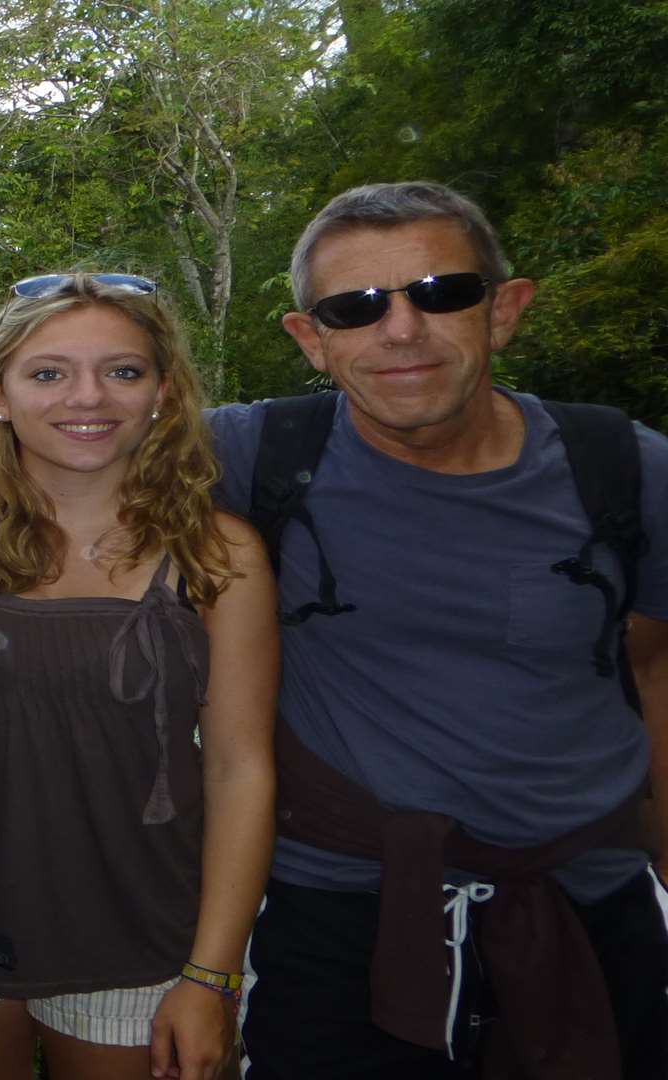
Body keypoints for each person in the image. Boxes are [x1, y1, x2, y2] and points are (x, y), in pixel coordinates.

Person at [209, 181, 668, 1077]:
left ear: (505, 311)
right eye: (356, 307)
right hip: (336, 920)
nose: (402, 329)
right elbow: (49, 452)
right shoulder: (254, 455)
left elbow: (654, 678)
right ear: (312, 339)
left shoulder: (624, 468)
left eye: (441, 293)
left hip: (588, 904)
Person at [0, 275, 277, 1080]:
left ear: (162, 392)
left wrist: (213, 973)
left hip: (141, 932)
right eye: (48, 373)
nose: (89, 397)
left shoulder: (218, 554)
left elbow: (241, 768)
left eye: (122, 371)